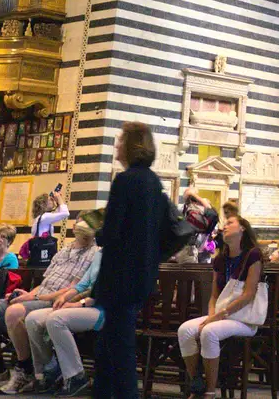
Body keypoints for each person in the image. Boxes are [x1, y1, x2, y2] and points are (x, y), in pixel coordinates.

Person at [0, 218, 99, 391]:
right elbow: (45, 281)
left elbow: (74, 288)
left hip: (53, 301)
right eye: (79, 223)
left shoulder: (93, 253)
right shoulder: (63, 251)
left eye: (87, 225)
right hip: (39, 296)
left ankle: (25, 369)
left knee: (14, 312)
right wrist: (28, 294)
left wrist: (38, 297)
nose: (81, 228)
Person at [94, 120, 169, 397]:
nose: (117, 145)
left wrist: (98, 232)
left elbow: (112, 231)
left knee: (119, 347)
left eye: (121, 139)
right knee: (108, 345)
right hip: (142, 275)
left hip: (119, 276)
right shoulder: (153, 182)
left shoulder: (125, 181)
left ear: (132, 144)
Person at [177, 214, 265, 399]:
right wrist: (211, 316)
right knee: (184, 330)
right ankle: (197, 385)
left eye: (230, 223)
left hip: (244, 318)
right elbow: (214, 296)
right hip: (221, 316)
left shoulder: (253, 255)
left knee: (209, 332)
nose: (225, 226)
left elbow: (249, 295)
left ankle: (210, 392)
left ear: (242, 228)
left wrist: (215, 318)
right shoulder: (220, 259)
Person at [20, 238, 104, 395]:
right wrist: (64, 298)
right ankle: (47, 372)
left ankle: (76, 376)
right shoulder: (100, 254)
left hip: (105, 311)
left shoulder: (120, 256)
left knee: (56, 319)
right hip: (88, 305)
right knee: (33, 319)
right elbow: (82, 284)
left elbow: (105, 293)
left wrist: (78, 304)